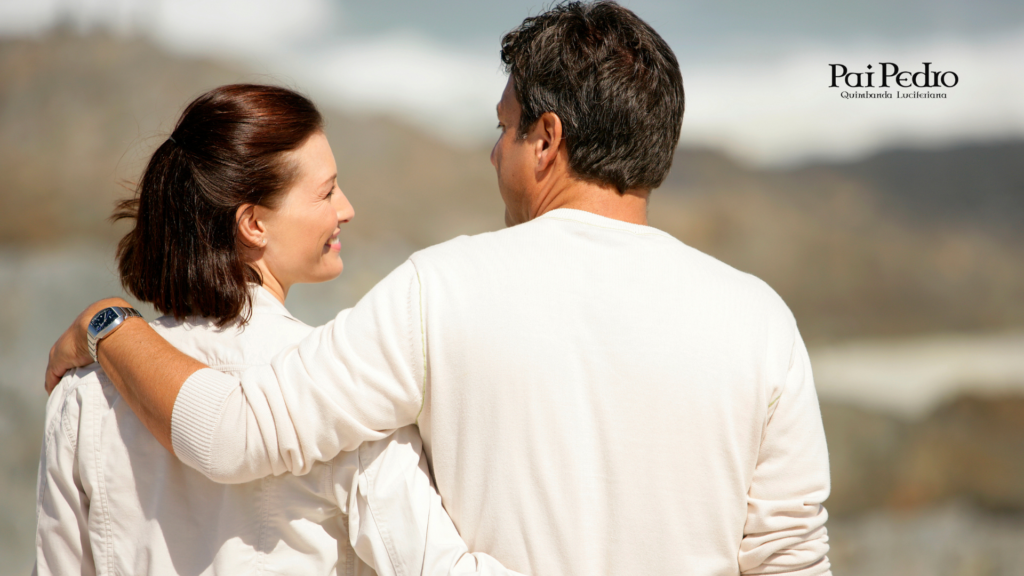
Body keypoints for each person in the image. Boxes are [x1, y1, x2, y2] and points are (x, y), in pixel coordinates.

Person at [46, 2, 833, 575]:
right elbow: (791, 559)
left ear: (546, 139)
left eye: (504, 125)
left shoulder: (443, 290)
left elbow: (233, 433)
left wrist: (110, 324)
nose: (495, 153)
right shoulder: (759, 318)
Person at [35, 84, 521, 576]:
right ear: (253, 225)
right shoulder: (336, 386)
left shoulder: (82, 396)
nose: (346, 208)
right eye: (327, 191)